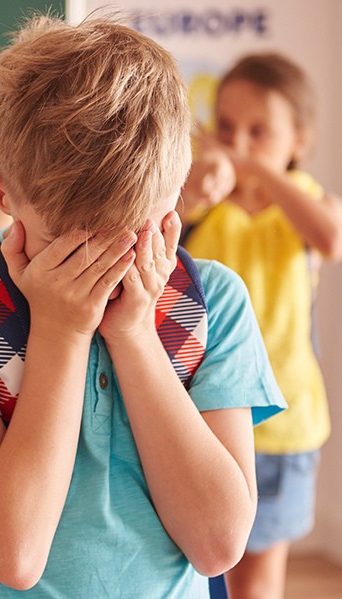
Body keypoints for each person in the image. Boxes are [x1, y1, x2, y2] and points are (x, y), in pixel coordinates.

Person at [0, 15, 287, 597]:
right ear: (0, 193)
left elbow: (216, 546)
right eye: (73, 241)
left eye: (133, 234)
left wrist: (136, 335)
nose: (106, 266)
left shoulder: (215, 301)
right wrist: (61, 334)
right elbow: (16, 555)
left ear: (178, 190)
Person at [181, 52, 342, 599]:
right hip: (203, 420)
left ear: (298, 140)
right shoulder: (203, 204)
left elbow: (330, 237)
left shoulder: (303, 205)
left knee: (258, 585)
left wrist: (262, 173)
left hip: (285, 426)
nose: (240, 144)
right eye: (226, 127)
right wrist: (200, 182)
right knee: (203, 572)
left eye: (260, 132)